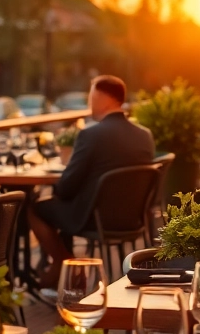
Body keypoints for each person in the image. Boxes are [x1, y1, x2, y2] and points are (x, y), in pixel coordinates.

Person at [30, 75, 154, 290]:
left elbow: (67, 187)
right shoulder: (144, 135)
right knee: (62, 206)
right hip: (133, 218)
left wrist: (59, 187)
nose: (89, 102)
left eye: (91, 96)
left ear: (103, 98)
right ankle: (67, 269)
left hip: (93, 218)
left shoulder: (91, 135)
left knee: (33, 207)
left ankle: (64, 261)